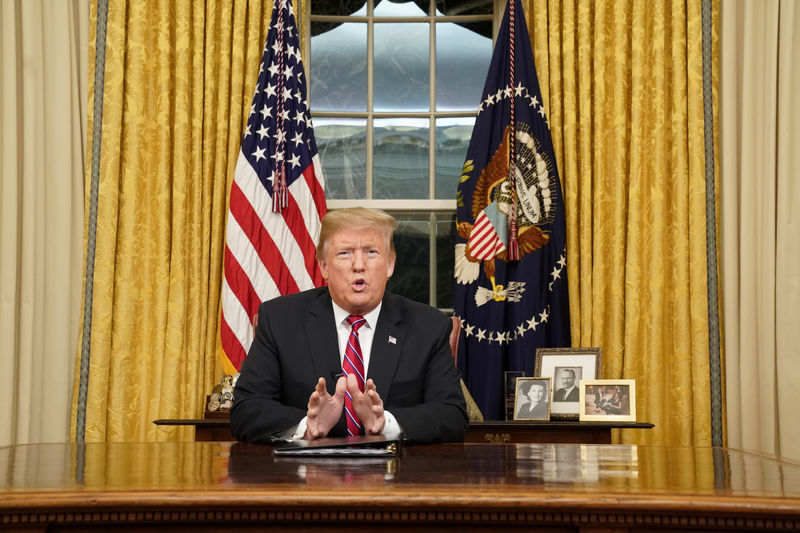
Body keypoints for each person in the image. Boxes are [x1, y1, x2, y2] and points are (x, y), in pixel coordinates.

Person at [230, 207, 469, 444]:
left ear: (390, 265)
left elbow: (452, 415)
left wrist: (386, 423)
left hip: (395, 476)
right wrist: (307, 425)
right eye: (345, 253)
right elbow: (246, 410)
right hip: (305, 476)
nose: (358, 265)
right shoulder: (280, 320)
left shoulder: (428, 327)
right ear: (323, 266)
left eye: (371, 252)